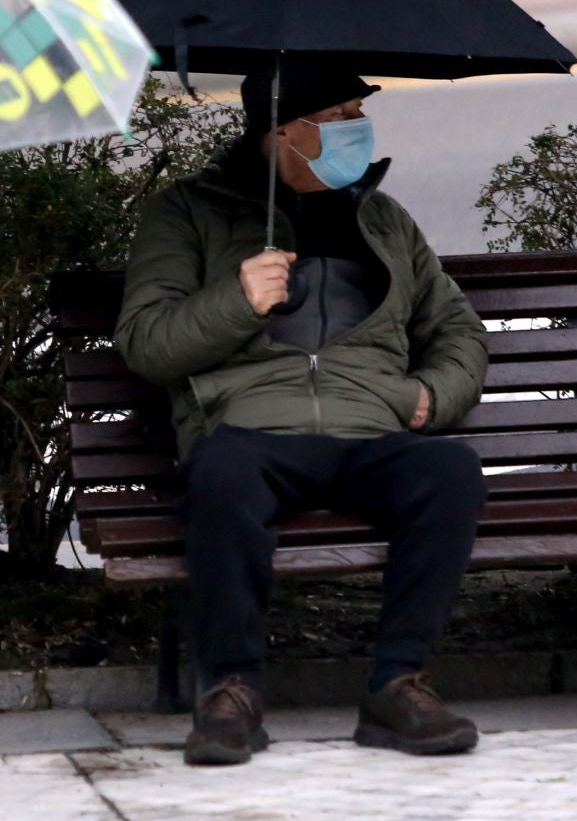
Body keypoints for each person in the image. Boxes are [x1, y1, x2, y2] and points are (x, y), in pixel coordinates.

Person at [115, 61, 491, 768]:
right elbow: (147, 343)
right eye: (341, 115)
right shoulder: (190, 211)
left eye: (357, 112)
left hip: (369, 429)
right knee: (221, 477)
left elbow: (457, 329)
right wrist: (237, 299)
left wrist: (433, 394)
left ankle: (396, 686)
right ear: (283, 133)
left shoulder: (381, 218)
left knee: (452, 474)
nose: (359, 127)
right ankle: (231, 690)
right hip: (253, 429)